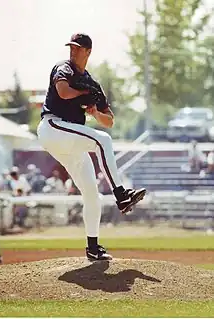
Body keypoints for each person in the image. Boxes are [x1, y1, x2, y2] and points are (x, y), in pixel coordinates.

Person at [37, 33, 146, 261]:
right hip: (53, 127)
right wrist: (84, 94)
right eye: (71, 47)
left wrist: (96, 112)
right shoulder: (64, 68)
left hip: (70, 142)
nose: (72, 51)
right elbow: (63, 92)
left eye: (77, 48)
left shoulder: (93, 84)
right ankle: (120, 194)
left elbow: (110, 120)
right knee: (102, 141)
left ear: (88, 52)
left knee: (92, 195)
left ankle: (93, 248)